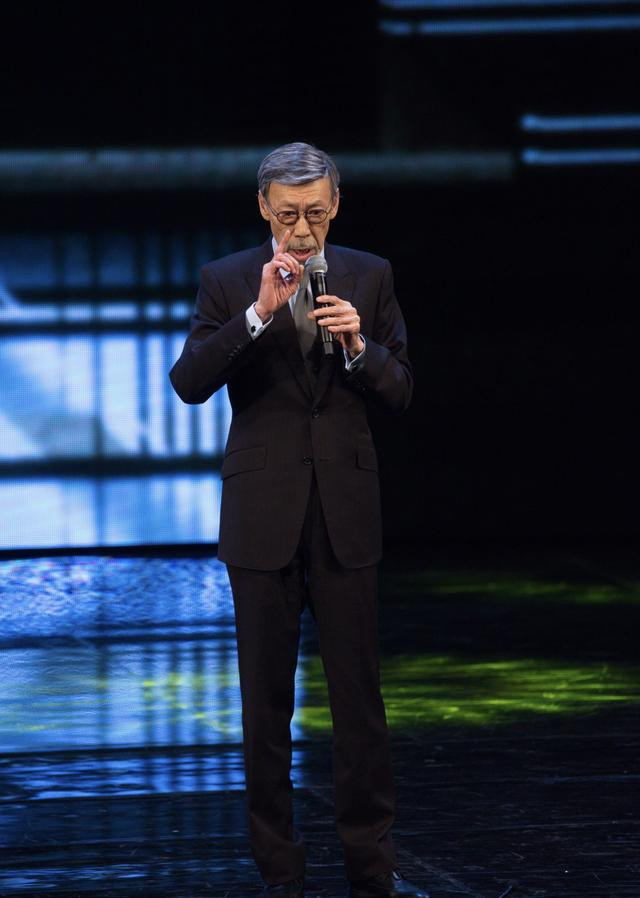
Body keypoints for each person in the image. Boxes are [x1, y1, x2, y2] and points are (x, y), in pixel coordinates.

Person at [170, 143, 428, 898]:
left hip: (345, 510)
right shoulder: (226, 280)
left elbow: (401, 389)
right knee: (265, 707)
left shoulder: (370, 275)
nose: (302, 230)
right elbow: (188, 382)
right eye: (288, 215)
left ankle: (370, 863)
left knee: (359, 704)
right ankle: (280, 870)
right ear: (263, 208)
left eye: (315, 213)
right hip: (263, 514)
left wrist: (359, 345)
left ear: (336, 205)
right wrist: (256, 314)